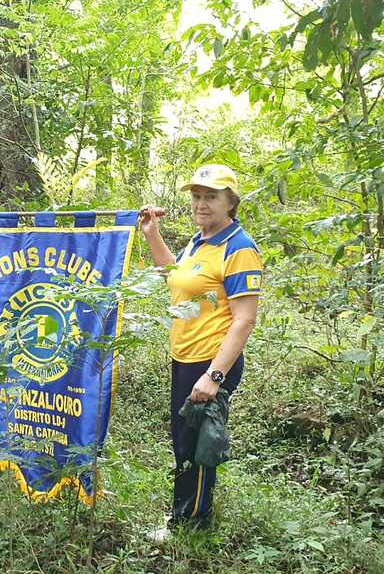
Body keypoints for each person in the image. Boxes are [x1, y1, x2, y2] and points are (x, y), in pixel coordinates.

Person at [139, 164, 262, 534]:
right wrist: (152, 235)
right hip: (184, 356)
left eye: (211, 196)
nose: (201, 204)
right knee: (183, 439)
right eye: (197, 196)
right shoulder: (200, 240)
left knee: (196, 444)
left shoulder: (238, 247)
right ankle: (187, 514)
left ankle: (191, 524)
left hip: (211, 361)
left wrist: (214, 375)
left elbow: (244, 320)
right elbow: (176, 278)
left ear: (231, 202)